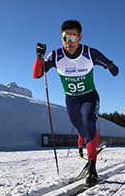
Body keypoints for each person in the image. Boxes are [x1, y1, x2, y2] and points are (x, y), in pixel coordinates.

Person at [32, 19, 119, 186]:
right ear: (61, 38)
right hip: (71, 100)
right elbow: (37, 74)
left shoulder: (89, 53)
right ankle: (90, 141)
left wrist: (112, 68)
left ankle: (92, 167)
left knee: (89, 122)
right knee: (83, 130)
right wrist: (39, 57)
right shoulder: (56, 55)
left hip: (89, 97)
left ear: (80, 37)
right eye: (65, 39)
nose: (69, 43)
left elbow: (110, 65)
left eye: (72, 38)